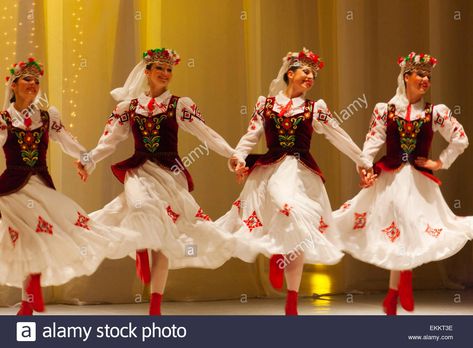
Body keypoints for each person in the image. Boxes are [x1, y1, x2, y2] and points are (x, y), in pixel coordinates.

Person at [76, 48, 240, 315]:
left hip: (169, 172)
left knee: (164, 237)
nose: (165, 74)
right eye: (159, 69)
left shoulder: (179, 105)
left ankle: (155, 306)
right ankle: (141, 246)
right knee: (140, 206)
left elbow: (206, 134)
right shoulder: (128, 108)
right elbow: (107, 142)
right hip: (138, 170)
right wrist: (87, 160)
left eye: (169, 70)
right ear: (147, 72)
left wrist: (233, 154)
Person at [218, 48, 371, 315]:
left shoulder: (315, 108)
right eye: (306, 72)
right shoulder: (265, 105)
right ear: (290, 73)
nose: (311, 77)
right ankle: (278, 255)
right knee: (283, 207)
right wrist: (239, 156)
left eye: (314, 74)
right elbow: (252, 135)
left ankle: (291, 299)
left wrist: (363, 161)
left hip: (301, 171)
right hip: (270, 169)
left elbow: (338, 136)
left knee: (296, 226)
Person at [333, 52, 472, 315]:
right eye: (420, 74)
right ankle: (400, 287)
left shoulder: (435, 113)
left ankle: (394, 294)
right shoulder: (385, 110)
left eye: (428, 76)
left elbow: (460, 139)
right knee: (401, 224)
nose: (425, 80)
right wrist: (364, 168)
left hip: (420, 180)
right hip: (391, 177)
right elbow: (371, 143)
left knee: (407, 229)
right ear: (406, 77)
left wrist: (440, 162)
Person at [0, 58, 137, 315]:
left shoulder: (47, 116)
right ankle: (30, 299)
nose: (33, 84)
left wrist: (87, 160)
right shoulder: (4, 119)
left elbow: (67, 141)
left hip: (40, 184)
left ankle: (30, 298)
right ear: (13, 84)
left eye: (36, 80)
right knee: (26, 238)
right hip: (11, 189)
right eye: (27, 79)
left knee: (40, 236)